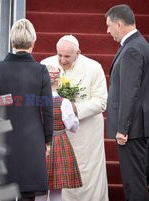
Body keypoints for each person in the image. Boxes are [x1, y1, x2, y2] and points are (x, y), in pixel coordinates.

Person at [0, 19, 53, 201]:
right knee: (28, 194)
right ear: (33, 41)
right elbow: (47, 108)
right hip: (33, 137)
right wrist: (48, 139)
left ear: (12, 42)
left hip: (5, 136)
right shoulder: (40, 70)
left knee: (5, 191)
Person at [41, 35, 108, 201]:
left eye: (67, 56)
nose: (62, 60)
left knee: (88, 174)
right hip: (57, 133)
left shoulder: (94, 67)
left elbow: (101, 101)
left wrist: (74, 107)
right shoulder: (45, 65)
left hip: (87, 133)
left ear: (78, 53)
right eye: (59, 55)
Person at [105, 4, 149, 201]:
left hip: (132, 129)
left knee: (134, 184)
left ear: (119, 24)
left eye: (109, 26)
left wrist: (123, 129)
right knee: (138, 179)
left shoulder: (132, 49)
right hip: (140, 125)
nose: (108, 31)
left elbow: (129, 92)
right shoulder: (141, 44)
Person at [35, 66, 82, 201]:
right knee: (56, 191)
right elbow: (71, 126)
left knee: (40, 190)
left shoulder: (35, 100)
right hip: (59, 142)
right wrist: (75, 119)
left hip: (39, 143)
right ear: (58, 82)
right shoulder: (64, 102)